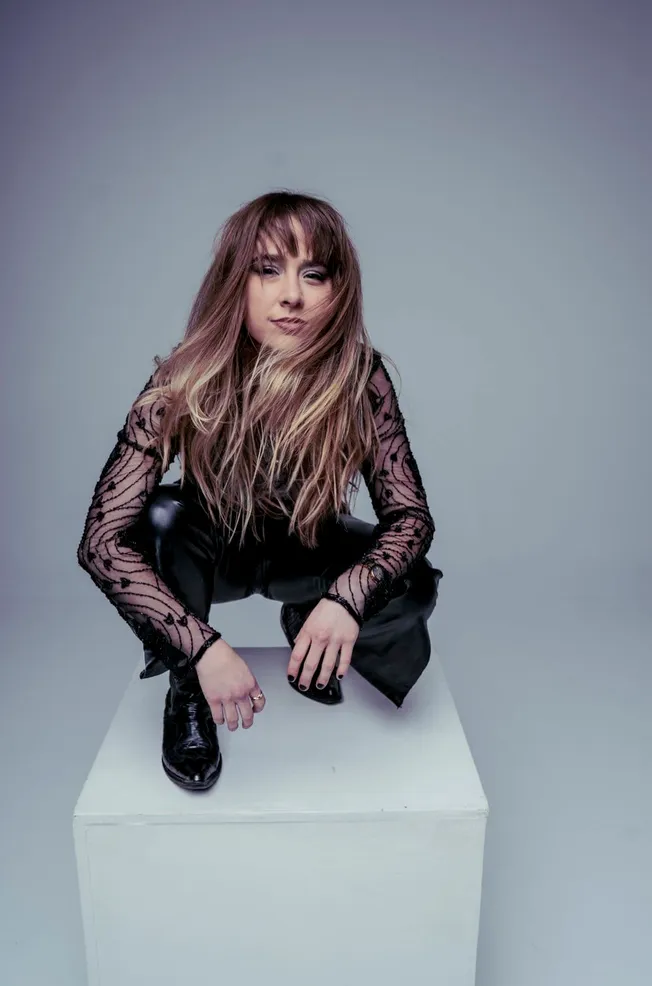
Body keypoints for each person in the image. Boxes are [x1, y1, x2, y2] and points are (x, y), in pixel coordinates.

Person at [76, 190, 443, 792]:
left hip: (308, 551)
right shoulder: (184, 375)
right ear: (235, 281)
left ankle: (309, 628)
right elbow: (101, 543)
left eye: (313, 274)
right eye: (267, 269)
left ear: (338, 290)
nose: (291, 294)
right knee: (163, 517)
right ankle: (187, 695)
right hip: (217, 556)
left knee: (416, 581)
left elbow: (410, 518)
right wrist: (201, 650)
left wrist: (345, 599)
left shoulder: (360, 376)